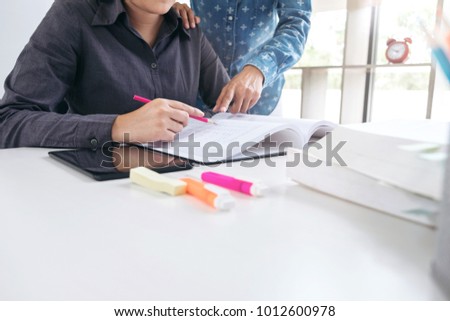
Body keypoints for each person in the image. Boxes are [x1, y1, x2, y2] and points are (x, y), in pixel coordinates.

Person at [0, 0, 229, 149]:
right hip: (95, 196)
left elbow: (230, 113)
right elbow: (9, 122)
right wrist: (118, 127)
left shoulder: (188, 25)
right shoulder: (72, 14)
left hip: (182, 192)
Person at [173, 0, 311, 115]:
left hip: (263, 105)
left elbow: (296, 25)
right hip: (200, 102)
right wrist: (168, 9)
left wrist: (260, 68)